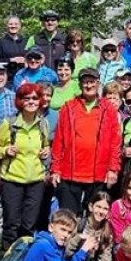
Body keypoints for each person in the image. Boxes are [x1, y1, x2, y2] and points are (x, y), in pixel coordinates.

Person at [51, 67, 121, 216]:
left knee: (94, 218)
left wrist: (113, 169)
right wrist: (55, 169)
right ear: (80, 84)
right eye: (85, 82)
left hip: (98, 174)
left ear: (98, 83)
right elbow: (59, 141)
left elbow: (115, 142)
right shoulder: (68, 108)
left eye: (92, 82)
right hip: (70, 173)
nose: (88, 86)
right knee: (69, 217)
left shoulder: (108, 109)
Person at [0, 83, 52, 245]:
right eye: (26, 98)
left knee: (29, 225)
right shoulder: (10, 124)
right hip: (12, 180)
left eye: (35, 98)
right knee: (11, 224)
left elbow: (45, 146)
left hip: (35, 181)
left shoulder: (43, 124)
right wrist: (5, 150)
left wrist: (46, 151)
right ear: (20, 101)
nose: (31, 102)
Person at [71, 190, 115, 261]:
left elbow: (105, 260)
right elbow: (66, 249)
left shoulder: (107, 232)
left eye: (105, 209)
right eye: (98, 207)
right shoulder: (78, 224)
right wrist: (79, 238)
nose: (101, 211)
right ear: (91, 207)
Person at [0, 15, 29, 79]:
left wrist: (25, 60)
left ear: (20, 26)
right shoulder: (0, 42)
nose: (13, 26)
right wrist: (11, 60)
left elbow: (32, 59)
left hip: (24, 77)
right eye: (10, 24)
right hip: (7, 78)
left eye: (16, 24)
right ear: (6, 26)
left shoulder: (26, 41)